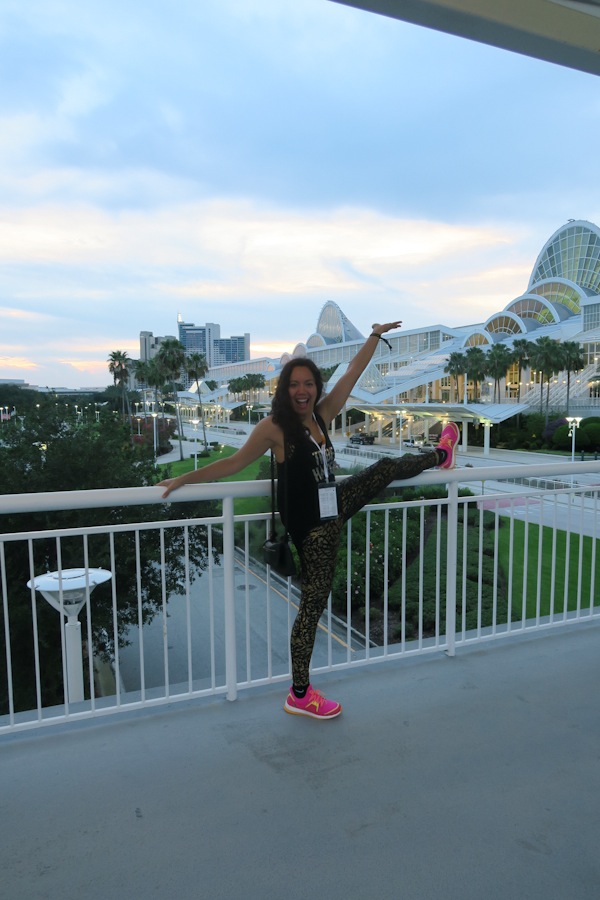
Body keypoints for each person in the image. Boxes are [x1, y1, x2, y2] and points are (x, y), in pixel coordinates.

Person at [158, 322, 460, 720]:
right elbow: (232, 463)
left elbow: (351, 374)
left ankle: (441, 455)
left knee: (384, 467)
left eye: (308, 384)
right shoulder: (274, 428)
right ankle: (300, 694)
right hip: (313, 529)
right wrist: (182, 478)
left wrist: (373, 337)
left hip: (334, 505)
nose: (302, 391)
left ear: (316, 387)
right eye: (294, 385)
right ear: (284, 390)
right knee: (312, 606)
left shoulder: (322, 415)